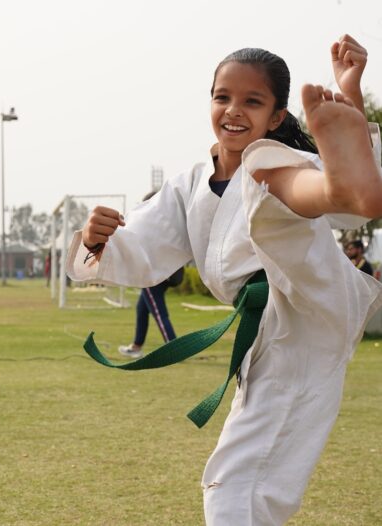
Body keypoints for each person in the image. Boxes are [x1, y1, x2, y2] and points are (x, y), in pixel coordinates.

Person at [68, 35, 382, 525]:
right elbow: (141, 245)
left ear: (277, 115)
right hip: (270, 339)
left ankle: (344, 168)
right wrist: (96, 239)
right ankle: (345, 170)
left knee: (235, 490)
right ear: (210, 101)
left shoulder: (270, 160)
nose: (233, 110)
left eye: (252, 101)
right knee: (249, 492)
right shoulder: (192, 182)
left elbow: (340, 212)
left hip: (303, 323)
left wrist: (348, 110)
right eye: (223, 97)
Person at [118, 191, 182, 358]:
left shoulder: (153, 225)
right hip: (164, 274)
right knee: (142, 308)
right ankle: (136, 346)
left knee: (159, 313)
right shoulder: (168, 222)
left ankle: (174, 348)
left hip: (153, 275)